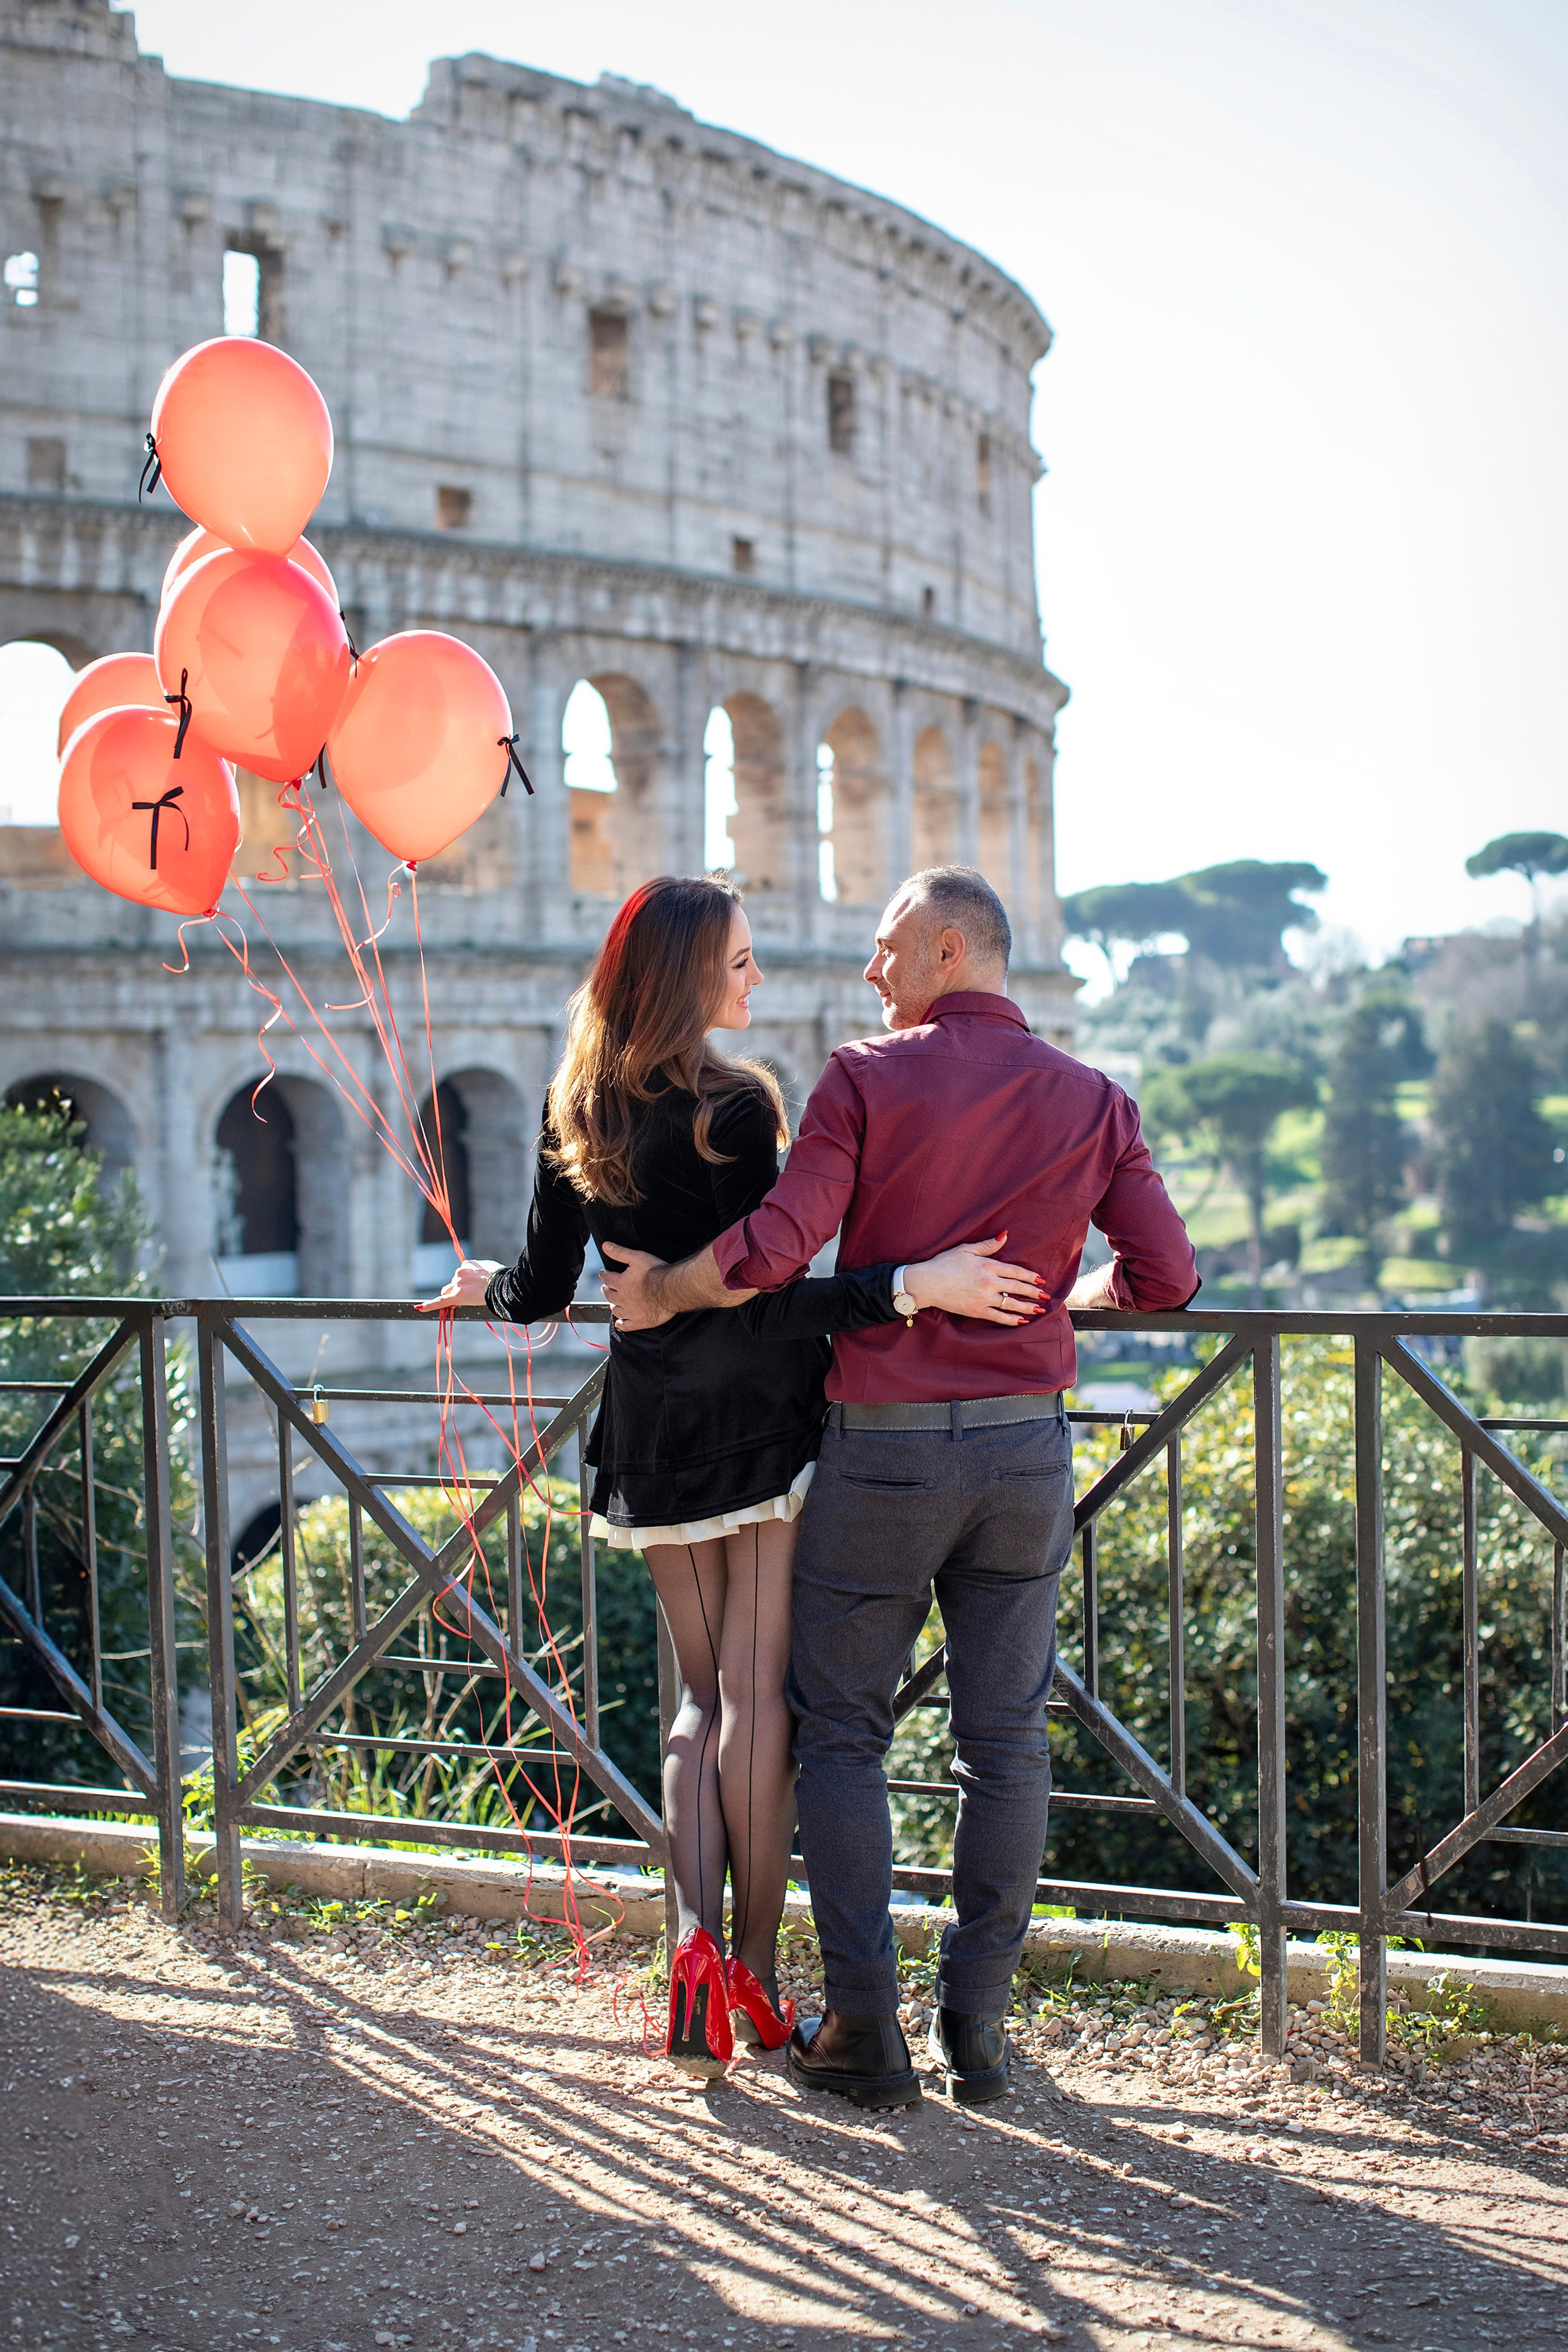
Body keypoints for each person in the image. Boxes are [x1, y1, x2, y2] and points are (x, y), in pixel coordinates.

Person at [601, 865, 1199, 2109]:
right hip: (1024, 1452)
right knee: (1002, 1741)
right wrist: (1077, 1298)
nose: (867, 970)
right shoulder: (1092, 1098)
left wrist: (658, 1292)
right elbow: (1166, 1275)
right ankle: (976, 2028)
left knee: (842, 1734)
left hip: (881, 1450)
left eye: (884, 949)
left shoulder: (862, 1078)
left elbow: (771, 1252)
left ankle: (863, 2033)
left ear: (939, 951)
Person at [428, 873, 1044, 2079]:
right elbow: (765, 1285)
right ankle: (750, 1978)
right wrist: (910, 1287)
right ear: (692, 978)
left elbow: (547, 1293)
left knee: (695, 1708)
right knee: (760, 1707)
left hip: (652, 1429)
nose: (756, 978)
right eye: (741, 962)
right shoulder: (736, 1109)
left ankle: (689, 1974)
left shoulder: (576, 1104)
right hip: (760, 1422)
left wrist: (482, 1287)